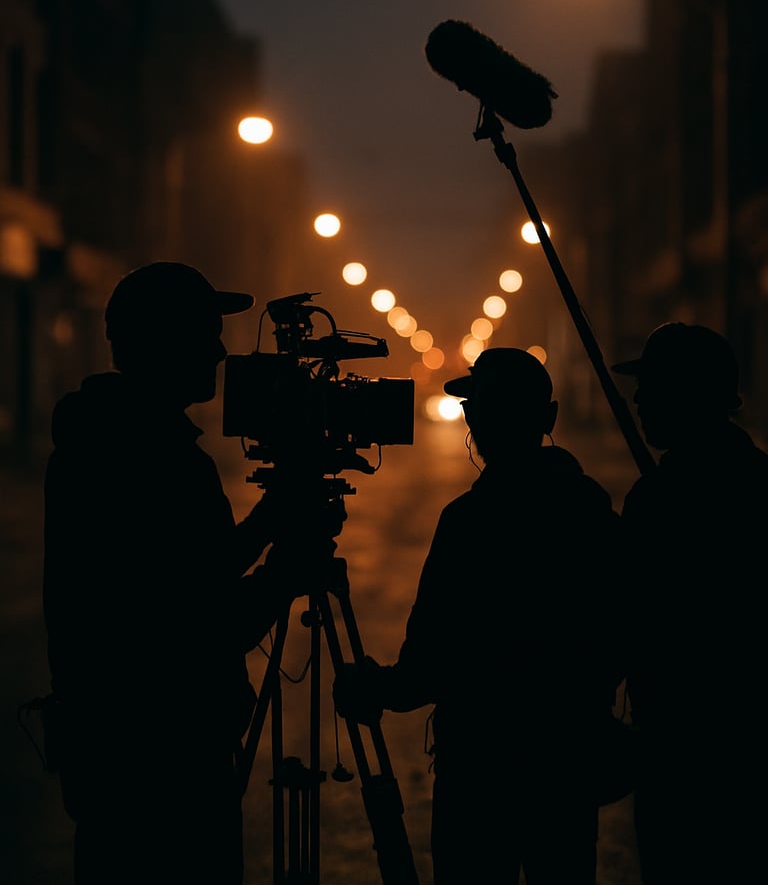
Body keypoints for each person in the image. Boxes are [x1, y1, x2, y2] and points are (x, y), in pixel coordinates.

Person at [42, 261, 334, 885]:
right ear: (162, 344)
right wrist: (287, 571)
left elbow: (184, 576)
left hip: (110, 750)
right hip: (165, 761)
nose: (220, 350)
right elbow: (202, 625)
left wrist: (266, 522)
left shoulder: (107, 441)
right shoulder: (160, 461)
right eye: (204, 332)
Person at [333, 346, 630, 884]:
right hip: (567, 765)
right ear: (550, 419)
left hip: (477, 771)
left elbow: (429, 661)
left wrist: (376, 689)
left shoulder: (469, 522)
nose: (474, 421)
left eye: (479, 409)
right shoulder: (594, 512)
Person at [612, 321, 768, 884]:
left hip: (680, 746)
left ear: (685, 396)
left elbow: (624, 617)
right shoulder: (758, 479)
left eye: (650, 387)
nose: (637, 400)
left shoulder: (658, 498)